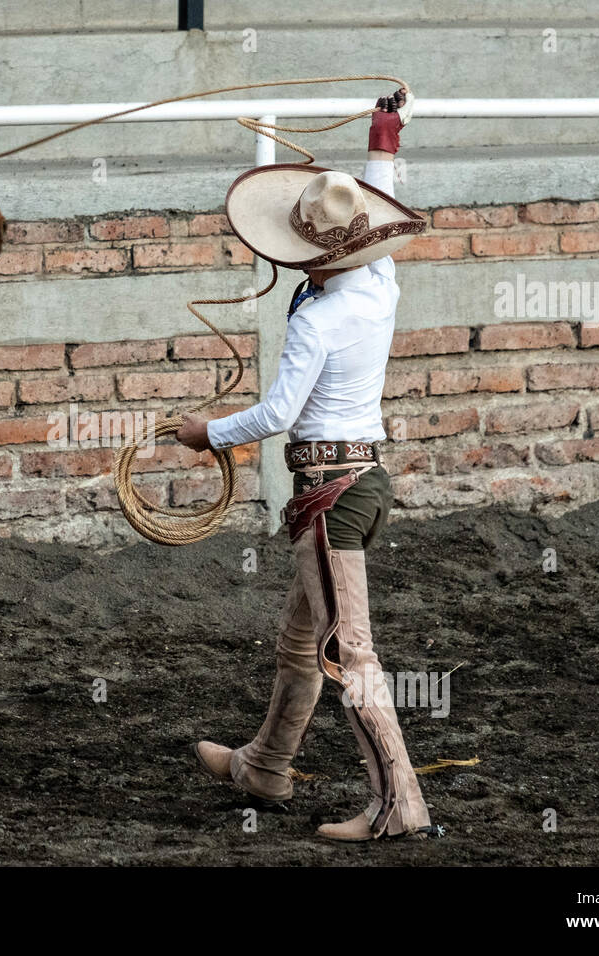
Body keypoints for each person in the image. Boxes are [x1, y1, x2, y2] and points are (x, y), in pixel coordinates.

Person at [176, 89, 442, 841]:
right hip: (363, 482)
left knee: (345, 650)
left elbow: (277, 417)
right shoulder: (378, 285)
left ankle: (400, 805)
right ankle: (266, 764)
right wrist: (383, 135)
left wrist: (209, 433)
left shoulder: (318, 321)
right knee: (305, 639)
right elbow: (377, 194)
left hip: (328, 494)